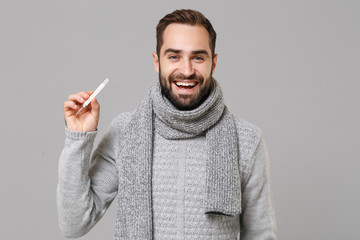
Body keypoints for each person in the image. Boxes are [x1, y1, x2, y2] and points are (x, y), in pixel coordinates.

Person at [58, 9, 277, 240]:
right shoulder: (126, 132)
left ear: (213, 63)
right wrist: (77, 139)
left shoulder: (247, 140)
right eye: (174, 56)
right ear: (156, 62)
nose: (186, 70)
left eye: (198, 57)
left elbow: (260, 235)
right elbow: (74, 224)